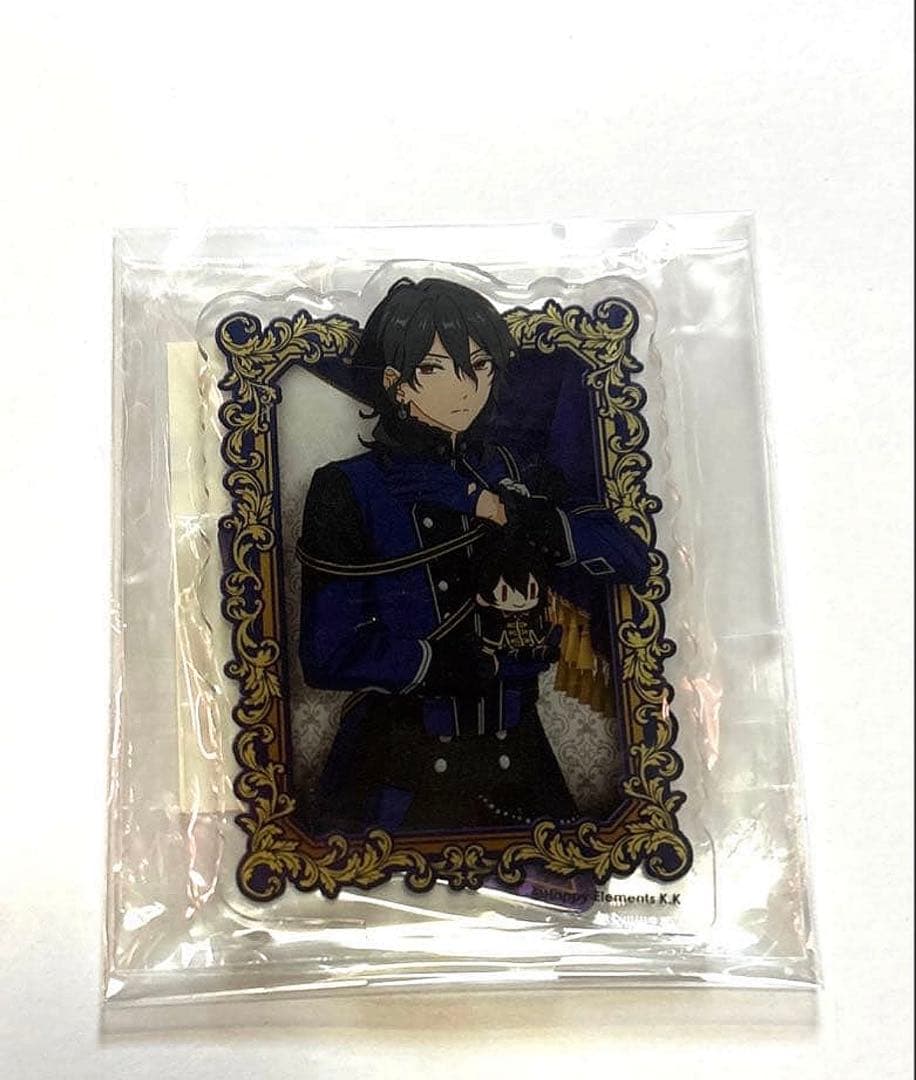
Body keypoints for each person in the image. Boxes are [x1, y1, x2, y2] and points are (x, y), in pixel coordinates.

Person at [297, 277, 649, 834]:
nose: (467, 387)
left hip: (522, 764)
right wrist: (452, 666)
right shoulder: (347, 487)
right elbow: (326, 655)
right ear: (396, 384)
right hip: (397, 770)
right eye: (437, 369)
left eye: (480, 364)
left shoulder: (517, 473)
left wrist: (497, 509)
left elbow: (631, 560)